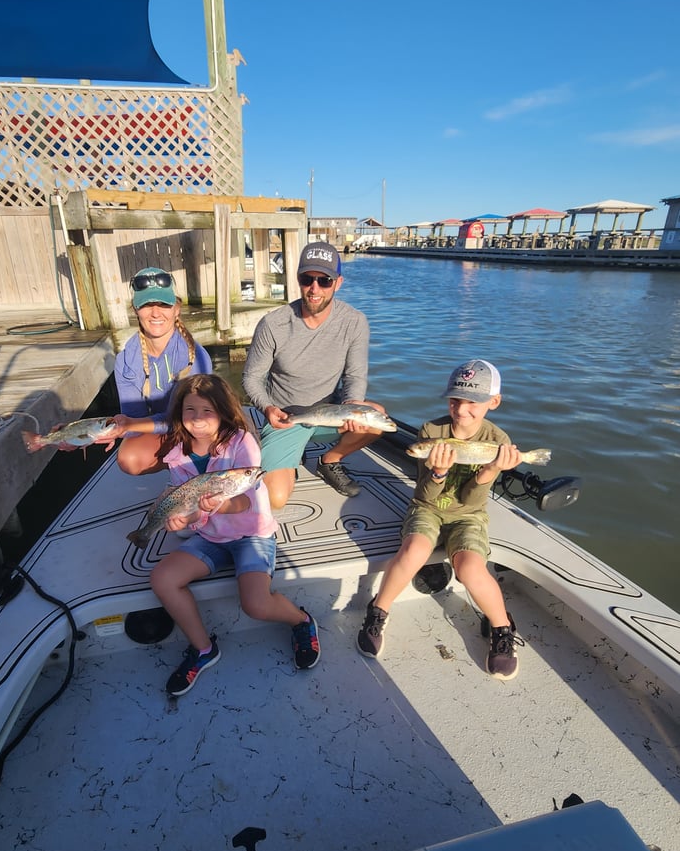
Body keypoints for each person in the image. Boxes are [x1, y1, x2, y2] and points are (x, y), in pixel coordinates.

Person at [148, 373, 320, 696]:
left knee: (255, 605)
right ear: (179, 414)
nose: (197, 419)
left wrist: (216, 506)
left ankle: (300, 620)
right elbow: (184, 505)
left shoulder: (242, 444)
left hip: (251, 534)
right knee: (162, 579)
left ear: (223, 411)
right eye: (190, 410)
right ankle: (203, 649)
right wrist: (177, 521)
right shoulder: (176, 455)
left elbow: (244, 500)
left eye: (207, 411)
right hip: (210, 537)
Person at [356, 359, 525, 681]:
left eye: (472, 402)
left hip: (469, 515)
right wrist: (437, 472)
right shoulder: (431, 432)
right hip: (428, 508)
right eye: (455, 400)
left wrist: (490, 471)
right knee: (414, 551)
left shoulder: (498, 441)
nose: (461, 410)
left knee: (471, 568)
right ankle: (378, 610)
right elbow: (426, 496)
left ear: (494, 402)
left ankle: (502, 627)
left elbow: (473, 502)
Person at [242, 241, 383, 509]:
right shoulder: (273, 324)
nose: (314, 289)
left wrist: (352, 405)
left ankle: (330, 461)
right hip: (287, 417)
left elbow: (355, 375)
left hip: (331, 412)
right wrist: (268, 408)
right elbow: (251, 377)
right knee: (276, 499)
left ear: (338, 283)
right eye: (308, 279)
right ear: (298, 279)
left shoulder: (355, 322)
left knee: (377, 418)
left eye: (324, 280)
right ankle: (286, 458)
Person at [105, 267, 213, 474]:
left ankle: (202, 467)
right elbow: (133, 418)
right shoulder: (126, 359)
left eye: (164, 304)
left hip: (196, 425)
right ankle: (179, 464)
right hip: (166, 428)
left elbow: (190, 418)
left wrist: (129, 425)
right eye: (146, 305)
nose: (155, 313)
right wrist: (108, 431)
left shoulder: (194, 356)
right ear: (135, 309)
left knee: (201, 431)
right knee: (129, 458)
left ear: (176, 308)